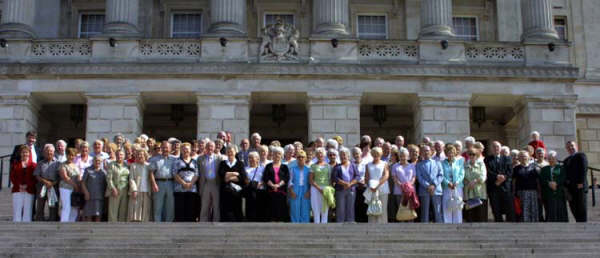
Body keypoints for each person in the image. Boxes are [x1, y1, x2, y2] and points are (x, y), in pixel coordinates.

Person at [485, 141, 515, 222]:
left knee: (509, 208)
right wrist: (496, 177)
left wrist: (503, 178)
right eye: (494, 147)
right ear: (491, 148)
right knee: (496, 208)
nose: (496, 148)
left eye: (497, 146)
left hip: (505, 187)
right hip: (494, 187)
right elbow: (487, 171)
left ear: (500, 148)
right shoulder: (487, 159)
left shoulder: (507, 158)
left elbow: (510, 171)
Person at [149, 141, 176, 222]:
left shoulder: (174, 159)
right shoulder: (155, 159)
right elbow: (151, 173)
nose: (165, 149)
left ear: (170, 149)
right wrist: (154, 184)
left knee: (170, 205)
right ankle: (157, 224)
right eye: (163, 147)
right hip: (159, 183)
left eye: (167, 148)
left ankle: (169, 223)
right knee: (158, 205)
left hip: (171, 183)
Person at [218, 145, 247, 222]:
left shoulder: (240, 163)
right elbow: (221, 175)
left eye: (232, 151)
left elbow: (242, 177)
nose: (230, 153)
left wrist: (228, 177)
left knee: (237, 211)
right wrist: (235, 173)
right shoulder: (222, 163)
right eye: (228, 151)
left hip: (236, 193)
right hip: (225, 192)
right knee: (225, 211)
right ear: (226, 153)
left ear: (235, 152)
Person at [416, 145, 443, 223]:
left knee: (437, 212)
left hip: (436, 190)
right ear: (421, 153)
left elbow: (441, 175)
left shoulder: (437, 162)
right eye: (424, 151)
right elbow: (419, 177)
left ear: (431, 152)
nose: (426, 152)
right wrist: (428, 186)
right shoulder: (419, 165)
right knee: (425, 213)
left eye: (427, 150)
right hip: (424, 190)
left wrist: (434, 185)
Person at [33, 144, 61, 221]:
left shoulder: (58, 163)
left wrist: (52, 183)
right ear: (44, 153)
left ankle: (52, 220)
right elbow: (37, 175)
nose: (49, 153)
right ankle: (39, 220)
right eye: (47, 151)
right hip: (42, 185)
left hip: (54, 185)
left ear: (53, 152)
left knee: (53, 205)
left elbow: (60, 176)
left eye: (51, 151)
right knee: (40, 205)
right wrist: (45, 182)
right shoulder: (40, 163)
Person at [173, 143, 199, 222]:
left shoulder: (194, 162)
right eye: (184, 149)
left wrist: (190, 183)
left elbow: (197, 174)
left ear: (190, 150)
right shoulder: (177, 161)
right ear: (181, 150)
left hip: (192, 189)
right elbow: (175, 174)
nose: (186, 150)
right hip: (180, 189)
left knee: (191, 210)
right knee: (180, 211)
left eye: (187, 149)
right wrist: (183, 183)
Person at [262, 146, 290, 222]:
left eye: (279, 154)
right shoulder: (268, 166)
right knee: (271, 212)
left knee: (281, 211)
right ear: (272, 155)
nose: (277, 155)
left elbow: (286, 178)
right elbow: (265, 177)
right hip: (271, 192)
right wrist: (273, 185)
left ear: (282, 155)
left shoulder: (285, 167)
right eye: (275, 153)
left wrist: (278, 185)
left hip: (281, 192)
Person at [198, 141, 224, 222]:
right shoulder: (200, 158)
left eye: (212, 146)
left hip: (215, 183)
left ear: (214, 148)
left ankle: (216, 222)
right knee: (205, 205)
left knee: (216, 205)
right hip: (205, 183)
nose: (210, 148)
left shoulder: (219, 158)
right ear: (206, 147)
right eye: (208, 146)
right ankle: (203, 222)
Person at [512, 151, 541, 222]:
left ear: (528, 157)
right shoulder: (516, 168)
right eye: (521, 156)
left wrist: (539, 192)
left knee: (533, 209)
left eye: (525, 156)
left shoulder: (534, 167)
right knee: (522, 210)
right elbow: (513, 182)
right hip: (521, 192)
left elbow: (538, 181)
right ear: (518, 158)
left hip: (533, 192)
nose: (523, 158)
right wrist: (513, 192)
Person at [563, 141, 588, 222]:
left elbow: (584, 169)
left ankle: (583, 224)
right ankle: (578, 222)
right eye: (568, 147)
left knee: (581, 207)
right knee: (573, 207)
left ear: (576, 146)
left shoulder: (581, 155)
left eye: (572, 146)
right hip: (571, 188)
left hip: (579, 186)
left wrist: (581, 182)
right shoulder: (566, 160)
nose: (570, 148)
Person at [540, 151, 568, 222]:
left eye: (553, 158)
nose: (551, 160)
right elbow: (542, 179)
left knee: (561, 211)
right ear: (548, 159)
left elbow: (563, 177)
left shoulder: (561, 168)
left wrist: (556, 183)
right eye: (550, 158)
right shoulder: (544, 169)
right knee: (550, 211)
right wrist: (549, 183)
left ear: (556, 159)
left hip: (559, 193)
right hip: (548, 193)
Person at [10, 145, 37, 222]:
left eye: (26, 152)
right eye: (23, 152)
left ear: (29, 153)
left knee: (28, 210)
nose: (25, 154)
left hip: (30, 190)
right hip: (17, 189)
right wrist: (19, 185)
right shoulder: (15, 164)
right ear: (20, 153)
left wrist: (27, 186)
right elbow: (12, 177)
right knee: (17, 210)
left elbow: (35, 178)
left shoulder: (33, 165)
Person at [332, 147, 359, 223]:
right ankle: (340, 223)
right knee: (340, 207)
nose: (343, 156)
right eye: (341, 155)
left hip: (351, 189)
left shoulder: (353, 165)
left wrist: (350, 184)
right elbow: (334, 177)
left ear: (348, 156)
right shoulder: (337, 167)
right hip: (340, 189)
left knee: (350, 207)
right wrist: (344, 183)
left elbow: (357, 176)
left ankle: (350, 222)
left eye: (344, 155)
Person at [364, 147, 390, 224]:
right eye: (374, 154)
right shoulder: (367, 165)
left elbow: (386, 175)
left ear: (381, 154)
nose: (376, 155)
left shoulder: (384, 163)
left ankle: (383, 226)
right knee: (372, 208)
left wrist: (377, 185)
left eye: (378, 154)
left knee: (382, 209)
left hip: (383, 189)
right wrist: (371, 186)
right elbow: (367, 177)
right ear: (372, 154)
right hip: (371, 190)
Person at [392, 148, 418, 222]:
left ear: (408, 156)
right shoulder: (395, 166)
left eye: (404, 156)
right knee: (401, 210)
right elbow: (394, 178)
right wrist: (402, 186)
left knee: (410, 210)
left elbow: (414, 177)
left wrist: (408, 186)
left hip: (410, 192)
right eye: (401, 156)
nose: (403, 157)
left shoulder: (412, 166)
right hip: (399, 191)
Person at [310, 147, 334, 224]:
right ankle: (316, 224)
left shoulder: (328, 166)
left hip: (326, 188)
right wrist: (318, 188)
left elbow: (330, 179)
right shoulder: (313, 166)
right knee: (315, 207)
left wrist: (329, 190)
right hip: (315, 188)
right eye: (318, 153)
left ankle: (324, 224)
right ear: (316, 155)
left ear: (324, 155)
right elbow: (310, 180)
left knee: (325, 208)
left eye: (321, 153)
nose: (320, 155)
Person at [463, 147, 488, 222]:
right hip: (469, 193)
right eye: (470, 154)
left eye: (473, 154)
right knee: (470, 216)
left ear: (477, 155)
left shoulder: (481, 164)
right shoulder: (465, 165)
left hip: (479, 193)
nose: (471, 156)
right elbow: (462, 177)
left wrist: (475, 181)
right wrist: (468, 182)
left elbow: (483, 176)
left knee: (480, 215)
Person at [441, 145, 464, 224]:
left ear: (455, 153)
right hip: (447, 187)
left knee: (457, 205)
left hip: (457, 187)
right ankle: (447, 223)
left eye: (452, 152)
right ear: (446, 153)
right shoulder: (442, 163)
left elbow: (462, 173)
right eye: (449, 152)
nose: (451, 154)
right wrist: (448, 183)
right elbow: (441, 175)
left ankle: (458, 223)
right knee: (447, 206)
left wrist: (457, 182)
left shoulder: (459, 162)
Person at [128, 148, 152, 222]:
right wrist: (134, 189)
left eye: (142, 154)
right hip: (137, 190)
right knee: (135, 209)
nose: (140, 156)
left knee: (145, 209)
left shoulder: (149, 166)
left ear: (145, 155)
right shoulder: (133, 165)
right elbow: (131, 179)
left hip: (147, 190)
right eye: (138, 154)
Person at [81, 156, 107, 222]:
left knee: (98, 215)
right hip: (90, 196)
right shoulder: (88, 170)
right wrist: (86, 192)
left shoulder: (103, 172)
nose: (97, 162)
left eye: (99, 161)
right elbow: (83, 183)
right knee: (89, 215)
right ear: (93, 161)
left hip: (99, 197)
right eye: (96, 160)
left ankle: (97, 232)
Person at [106, 149, 130, 222]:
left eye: (121, 155)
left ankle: (121, 230)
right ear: (115, 155)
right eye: (118, 154)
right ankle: (112, 229)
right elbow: (108, 178)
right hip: (115, 189)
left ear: (124, 156)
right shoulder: (111, 164)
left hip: (125, 189)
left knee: (123, 210)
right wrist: (113, 188)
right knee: (113, 211)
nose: (119, 156)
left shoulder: (127, 165)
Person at [59, 148, 81, 222]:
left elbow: (79, 176)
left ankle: (72, 223)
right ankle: (64, 224)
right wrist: (75, 185)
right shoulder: (63, 165)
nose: (71, 157)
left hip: (74, 189)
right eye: (69, 155)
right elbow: (65, 177)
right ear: (66, 155)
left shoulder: (75, 165)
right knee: (66, 207)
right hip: (65, 188)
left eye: (73, 155)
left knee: (74, 207)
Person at [289, 150, 311, 223]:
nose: (301, 158)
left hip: (305, 189)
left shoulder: (309, 169)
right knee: (295, 207)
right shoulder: (292, 169)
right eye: (299, 157)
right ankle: (295, 224)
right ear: (296, 159)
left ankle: (305, 225)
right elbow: (290, 181)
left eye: (302, 157)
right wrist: (291, 191)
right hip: (295, 189)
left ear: (305, 158)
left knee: (305, 207)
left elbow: (311, 182)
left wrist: (309, 191)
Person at [244, 151, 267, 222]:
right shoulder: (245, 169)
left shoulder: (262, 168)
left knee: (260, 212)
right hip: (250, 193)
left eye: (252, 158)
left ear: (257, 159)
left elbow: (265, 180)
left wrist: (259, 183)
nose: (250, 159)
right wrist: (256, 184)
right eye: (249, 158)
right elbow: (246, 181)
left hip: (260, 193)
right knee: (250, 213)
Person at [351, 147, 368, 223]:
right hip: (355, 187)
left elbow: (367, 174)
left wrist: (364, 180)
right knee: (356, 205)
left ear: (361, 153)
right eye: (354, 154)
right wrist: (356, 182)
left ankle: (365, 221)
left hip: (364, 187)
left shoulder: (365, 164)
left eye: (357, 153)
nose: (356, 155)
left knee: (364, 205)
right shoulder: (351, 164)